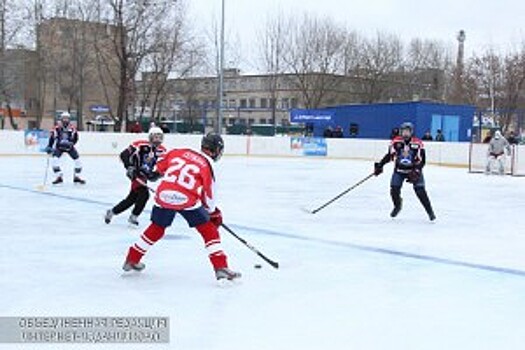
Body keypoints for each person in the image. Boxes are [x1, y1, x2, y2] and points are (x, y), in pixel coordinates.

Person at [122, 132, 241, 281]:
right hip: (186, 199)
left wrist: (141, 174)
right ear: (216, 150)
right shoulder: (208, 164)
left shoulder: (178, 152)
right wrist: (212, 213)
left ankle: (132, 258)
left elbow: (156, 172)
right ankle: (221, 267)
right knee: (209, 231)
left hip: (163, 195)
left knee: (157, 228)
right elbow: (209, 195)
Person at [373, 122, 436, 221]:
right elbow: (390, 156)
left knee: (420, 191)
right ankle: (397, 206)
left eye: (407, 131)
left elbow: (422, 160)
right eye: (403, 131)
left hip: (413, 170)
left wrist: (417, 170)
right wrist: (380, 165)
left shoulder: (418, 143)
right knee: (394, 189)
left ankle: (430, 211)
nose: (405, 134)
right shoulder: (395, 141)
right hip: (399, 170)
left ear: (411, 132)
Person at [105, 127, 166, 226]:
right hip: (135, 173)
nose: (158, 139)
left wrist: (157, 174)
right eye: (155, 137)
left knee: (132, 199)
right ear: (150, 137)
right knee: (144, 194)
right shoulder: (140, 144)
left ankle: (112, 212)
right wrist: (129, 167)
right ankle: (134, 216)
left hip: (144, 176)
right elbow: (124, 155)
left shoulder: (162, 150)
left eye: (160, 137)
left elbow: (163, 165)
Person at [45, 112, 86, 185]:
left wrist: (72, 143)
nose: (65, 120)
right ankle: (59, 177)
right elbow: (52, 138)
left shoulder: (72, 128)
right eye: (64, 118)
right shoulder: (56, 128)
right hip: (59, 147)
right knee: (54, 161)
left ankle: (76, 177)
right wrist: (49, 146)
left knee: (78, 162)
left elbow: (76, 138)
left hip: (69, 147)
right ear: (61, 119)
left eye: (67, 118)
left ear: (69, 119)